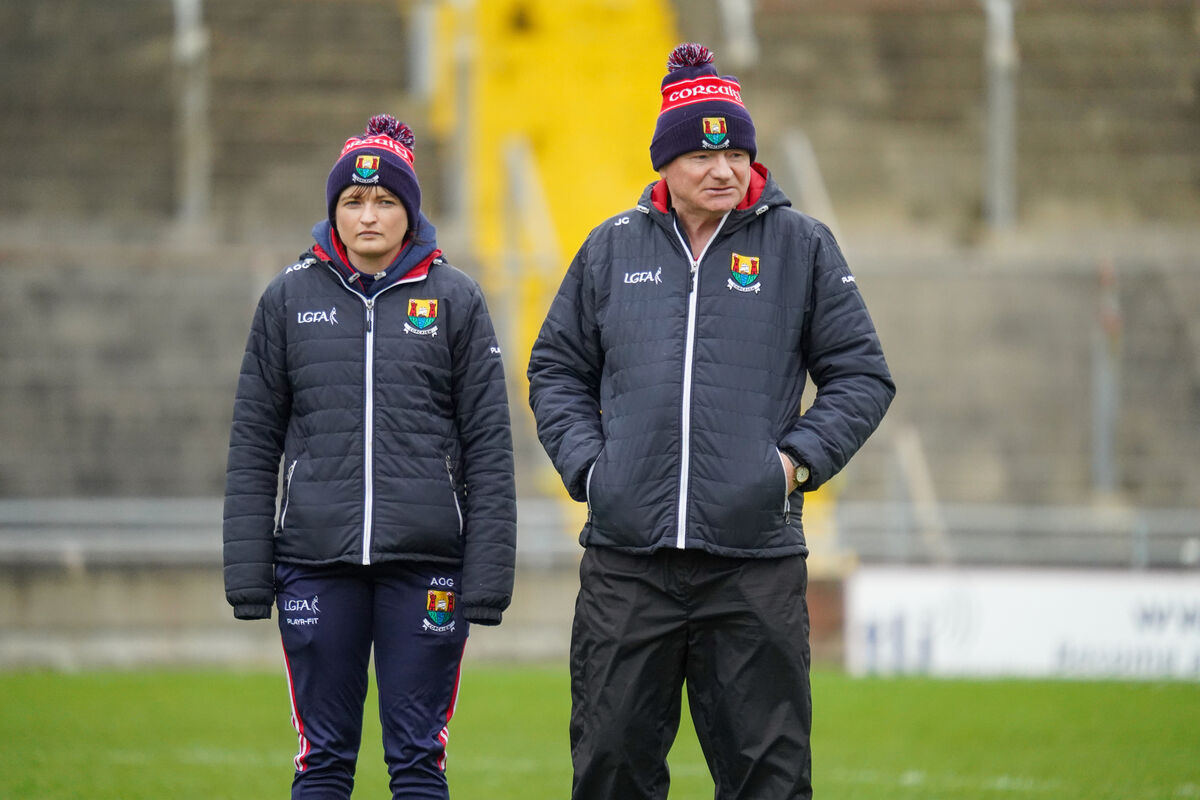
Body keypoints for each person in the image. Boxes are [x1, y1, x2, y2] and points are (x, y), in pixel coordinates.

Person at [527, 44, 894, 800]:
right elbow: (555, 370)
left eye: (735, 150)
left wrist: (789, 468)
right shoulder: (609, 249)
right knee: (611, 772)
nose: (724, 168)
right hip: (628, 563)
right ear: (665, 160)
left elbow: (862, 376)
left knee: (770, 779)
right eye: (702, 152)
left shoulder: (803, 247)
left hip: (753, 563)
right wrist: (594, 470)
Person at [222, 114, 516, 800]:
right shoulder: (287, 300)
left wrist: (489, 578)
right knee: (322, 760)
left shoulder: (457, 301)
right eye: (353, 201)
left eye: (386, 200)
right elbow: (253, 444)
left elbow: (489, 451)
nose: (369, 215)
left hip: (427, 569)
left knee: (417, 761)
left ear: (410, 212)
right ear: (333, 211)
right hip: (314, 565)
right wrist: (248, 574)